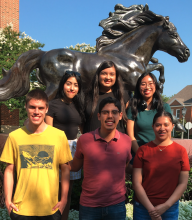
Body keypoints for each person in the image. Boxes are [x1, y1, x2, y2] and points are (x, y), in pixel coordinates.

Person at [1, 89, 72, 220]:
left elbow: (66, 169)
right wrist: (8, 200)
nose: (36, 112)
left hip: (50, 209)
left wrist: (63, 200)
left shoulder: (59, 136)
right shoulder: (14, 137)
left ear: (46, 109)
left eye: (40, 108)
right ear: (26, 107)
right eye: (32, 107)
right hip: (20, 209)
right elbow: (9, 170)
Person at [69, 97, 132, 220]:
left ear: (120, 116)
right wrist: (55, 159)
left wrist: (150, 165)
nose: (110, 116)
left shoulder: (126, 140)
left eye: (114, 112)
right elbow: (74, 166)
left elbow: (127, 167)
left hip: (117, 205)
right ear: (99, 116)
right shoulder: (85, 139)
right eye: (105, 112)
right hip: (89, 206)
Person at [132, 110, 190, 220]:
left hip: (170, 208)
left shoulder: (181, 151)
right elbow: (136, 183)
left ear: (172, 126)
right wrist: (152, 210)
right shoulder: (142, 150)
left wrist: (166, 206)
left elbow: (183, 183)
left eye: (166, 125)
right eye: (158, 125)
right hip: (143, 209)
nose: (162, 128)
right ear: (153, 127)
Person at [45, 70, 84, 220]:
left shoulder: (78, 105)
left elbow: (82, 129)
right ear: (63, 85)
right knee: (53, 190)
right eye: (69, 84)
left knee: (66, 192)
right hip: (55, 148)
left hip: (73, 150)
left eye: (75, 85)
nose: (72, 88)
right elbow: (49, 132)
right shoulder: (53, 105)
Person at [126, 72, 171, 166]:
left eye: (151, 83)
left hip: (160, 154)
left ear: (156, 86)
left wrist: (159, 153)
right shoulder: (133, 108)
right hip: (139, 154)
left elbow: (168, 135)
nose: (147, 87)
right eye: (143, 84)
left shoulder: (165, 107)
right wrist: (141, 155)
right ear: (138, 87)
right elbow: (130, 136)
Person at [83, 60, 129, 134]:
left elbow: (127, 122)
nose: (108, 77)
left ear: (116, 76)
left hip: (117, 143)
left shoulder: (123, 96)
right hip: (91, 142)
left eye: (112, 74)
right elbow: (81, 123)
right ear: (98, 75)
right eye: (104, 73)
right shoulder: (87, 96)